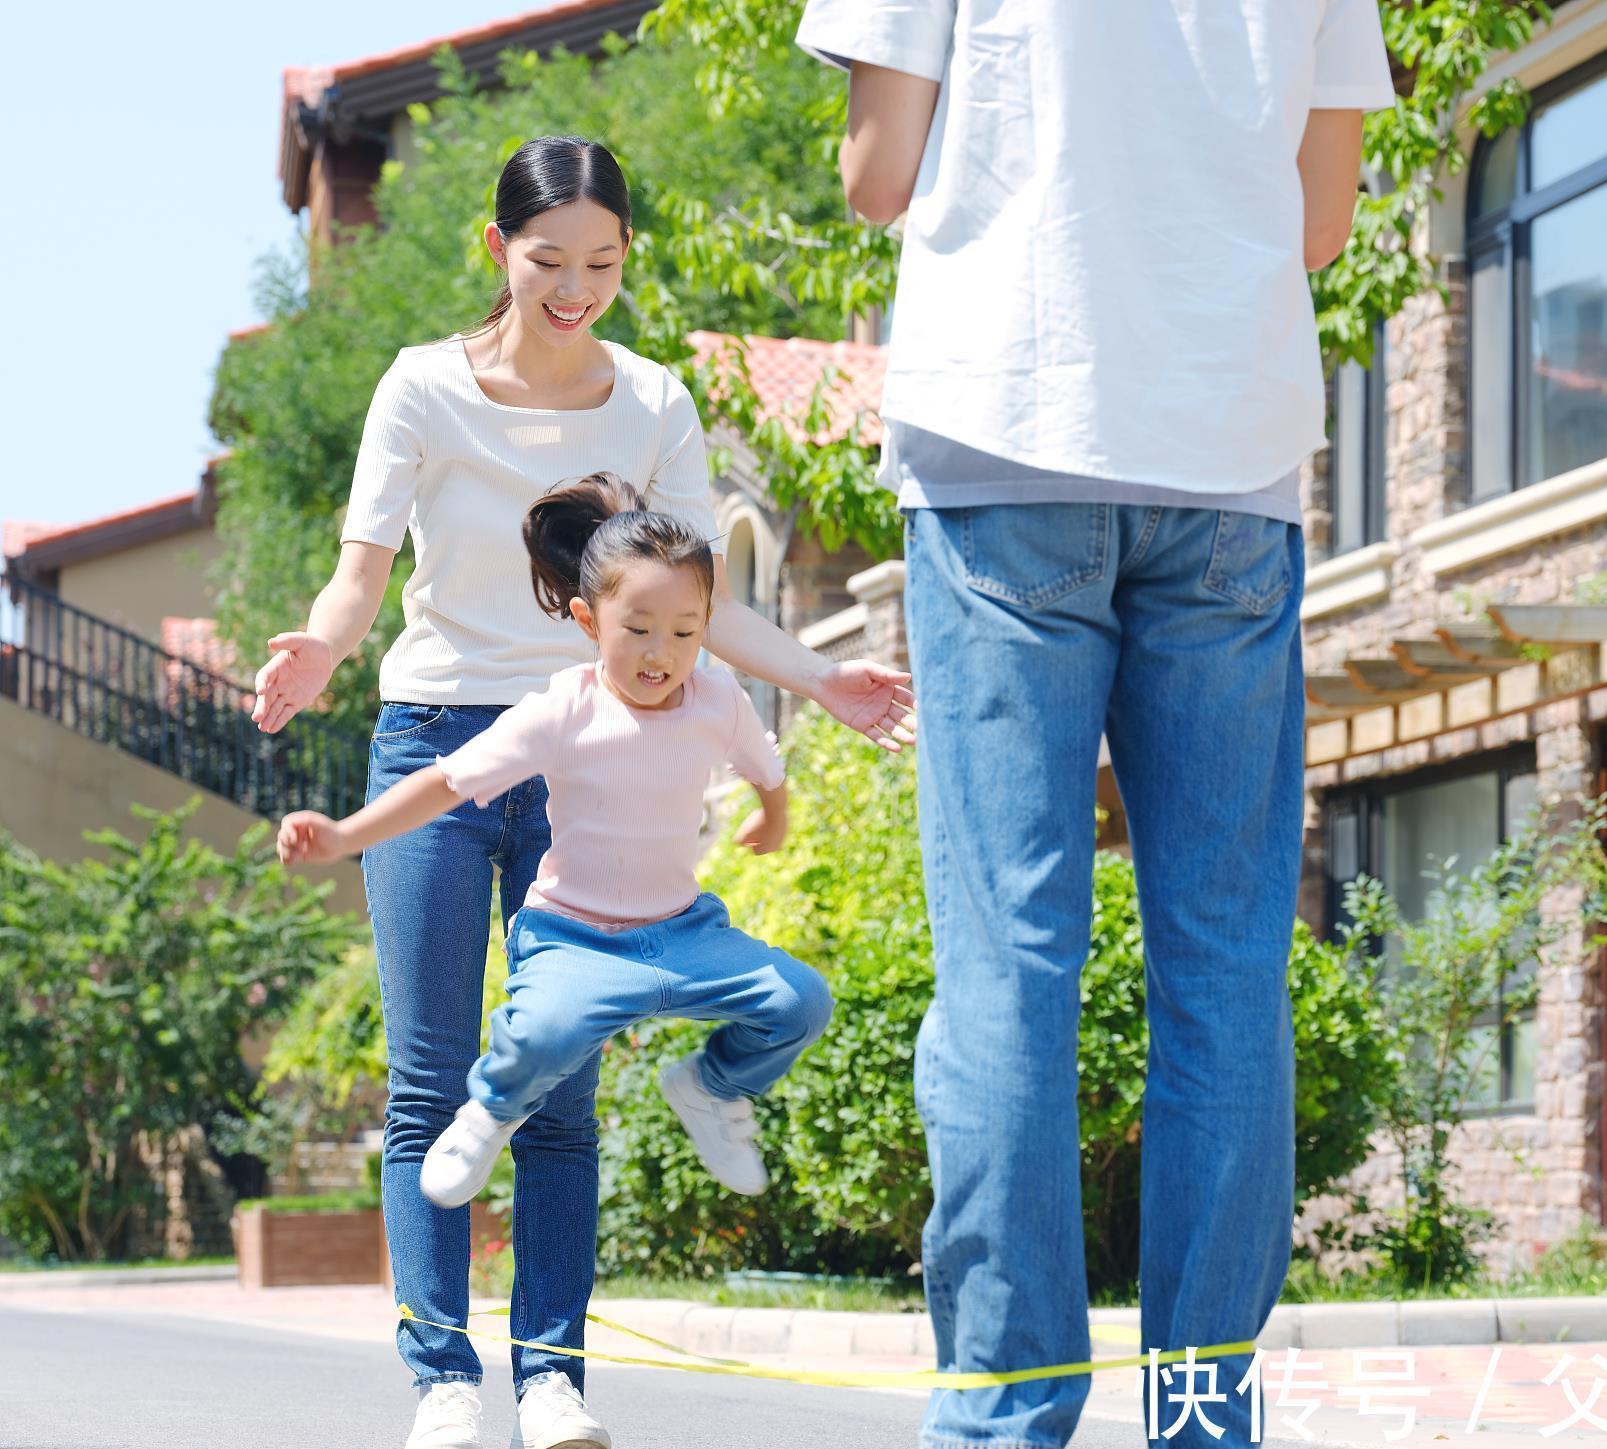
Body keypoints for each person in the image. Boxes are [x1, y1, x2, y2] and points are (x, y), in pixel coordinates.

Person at [792, 4, 1395, 1445]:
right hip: (1228, 460)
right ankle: (1202, 1416)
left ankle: (1006, 1414)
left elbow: (878, 176)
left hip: (1005, 435)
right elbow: (1322, 220)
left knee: (1010, 954)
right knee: (1228, 958)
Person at [251, 136, 912, 1449]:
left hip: (593, 750)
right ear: (496, 249)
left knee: (555, 1079)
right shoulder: (420, 389)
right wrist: (324, 645)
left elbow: (698, 604)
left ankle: (551, 1377)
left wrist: (817, 675)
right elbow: (362, 574)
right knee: (436, 1078)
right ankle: (443, 1378)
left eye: (603, 263)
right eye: (551, 260)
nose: (577, 287)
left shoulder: (655, 403)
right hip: (437, 737)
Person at [277, 471, 831, 1221]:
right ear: (587, 620)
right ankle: (492, 1109)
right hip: (576, 935)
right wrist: (345, 833)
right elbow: (444, 783)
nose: (660, 654)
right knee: (548, 1034)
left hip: (683, 931)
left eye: (685, 631)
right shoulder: (560, 710)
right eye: (637, 629)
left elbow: (766, 765)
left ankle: (712, 1087)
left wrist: (775, 818)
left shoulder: (715, 699)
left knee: (800, 1001)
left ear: (706, 624)